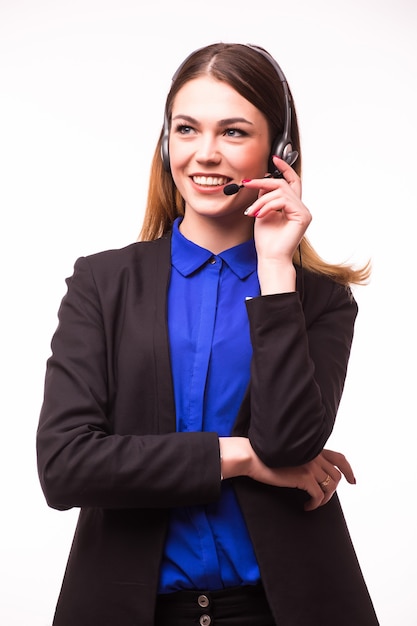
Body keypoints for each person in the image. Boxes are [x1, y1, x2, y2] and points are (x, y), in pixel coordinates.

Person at [36, 42, 379, 625]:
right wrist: (240, 457)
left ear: (279, 152)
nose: (205, 154)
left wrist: (275, 270)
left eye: (234, 132)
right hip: (132, 607)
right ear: (167, 140)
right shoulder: (102, 282)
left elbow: (292, 447)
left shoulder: (319, 299)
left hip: (283, 607)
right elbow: (66, 465)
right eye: (188, 129)